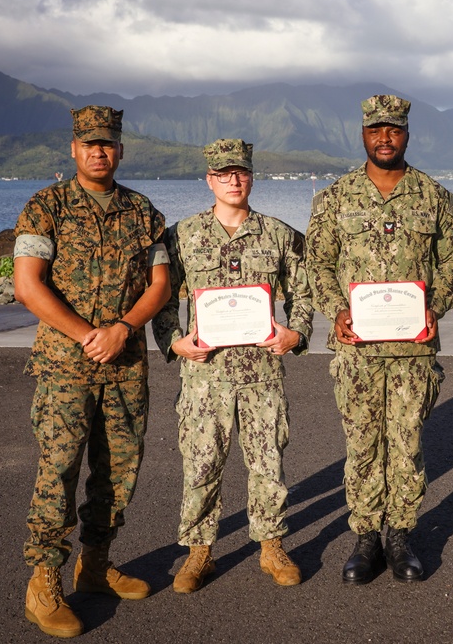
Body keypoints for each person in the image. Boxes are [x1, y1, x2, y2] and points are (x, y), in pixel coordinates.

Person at [14, 105, 170, 638]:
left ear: (121, 150)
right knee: (57, 470)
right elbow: (28, 285)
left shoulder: (143, 211)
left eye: (107, 143)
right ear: (74, 150)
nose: (98, 151)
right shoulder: (46, 206)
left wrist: (123, 328)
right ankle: (43, 583)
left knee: (118, 471)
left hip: (125, 365)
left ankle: (96, 566)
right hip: (66, 365)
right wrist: (87, 334)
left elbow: (159, 285)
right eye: (89, 144)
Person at [305, 94, 453, 583]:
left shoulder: (435, 197)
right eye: (376, 129)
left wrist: (435, 306)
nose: (384, 138)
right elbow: (318, 263)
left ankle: (400, 535)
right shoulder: (334, 198)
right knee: (361, 444)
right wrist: (335, 310)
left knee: (406, 442)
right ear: (363, 134)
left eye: (393, 129)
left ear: (406, 135)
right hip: (357, 350)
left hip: (412, 349)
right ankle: (365, 537)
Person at [152, 138, 313, 592]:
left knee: (268, 464)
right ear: (210, 180)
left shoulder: (279, 234)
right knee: (201, 466)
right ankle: (199, 553)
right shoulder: (182, 237)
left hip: (261, 374)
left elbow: (304, 292)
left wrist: (295, 332)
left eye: (240, 172)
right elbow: (161, 296)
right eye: (223, 174)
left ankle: (271, 546)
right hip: (205, 377)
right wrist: (173, 341)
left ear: (251, 177)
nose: (233, 180)